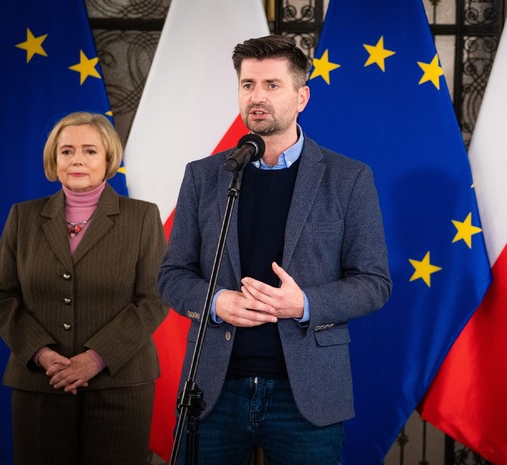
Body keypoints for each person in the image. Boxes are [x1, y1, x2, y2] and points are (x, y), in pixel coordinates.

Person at [158, 35, 392, 464]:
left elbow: (373, 283)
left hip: (306, 395)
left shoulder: (348, 178)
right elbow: (172, 275)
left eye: (272, 85)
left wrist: (303, 304)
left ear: (302, 97)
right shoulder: (204, 176)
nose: (257, 96)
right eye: (248, 85)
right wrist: (215, 302)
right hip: (213, 390)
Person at [0, 111, 169, 464]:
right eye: (67, 151)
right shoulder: (23, 217)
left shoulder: (142, 217)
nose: (77, 160)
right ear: (53, 160)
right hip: (40, 383)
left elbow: (154, 298)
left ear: (108, 158)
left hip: (120, 385)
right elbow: (2, 297)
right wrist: (42, 354)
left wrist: (96, 358)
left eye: (90, 151)